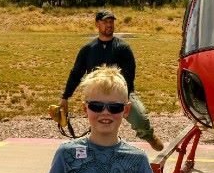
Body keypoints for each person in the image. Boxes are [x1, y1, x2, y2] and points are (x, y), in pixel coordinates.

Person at [60, 10, 164, 151]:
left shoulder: (123, 48)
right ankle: (97, 145)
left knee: (140, 118)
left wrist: (118, 95)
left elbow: (129, 77)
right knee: (99, 124)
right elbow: (76, 74)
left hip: (121, 93)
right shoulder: (87, 50)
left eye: (111, 22)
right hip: (97, 96)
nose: (109, 25)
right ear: (97, 24)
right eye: (105, 22)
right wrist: (65, 97)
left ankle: (149, 136)